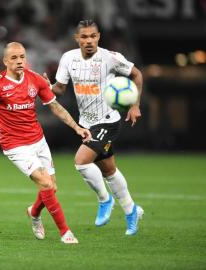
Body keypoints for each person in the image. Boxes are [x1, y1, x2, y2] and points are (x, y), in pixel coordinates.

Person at [0, 42, 92, 244]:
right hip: (15, 145)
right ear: (5, 61)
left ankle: (33, 213)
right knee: (45, 183)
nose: (19, 61)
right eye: (14, 58)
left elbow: (55, 106)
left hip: (38, 140)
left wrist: (77, 128)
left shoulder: (35, 80)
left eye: (22, 57)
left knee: (51, 188)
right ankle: (65, 232)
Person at [44, 20, 144, 236]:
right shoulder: (68, 58)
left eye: (93, 36)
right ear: (77, 39)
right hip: (87, 124)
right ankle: (132, 211)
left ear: (98, 36)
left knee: (81, 162)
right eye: (84, 37)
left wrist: (135, 105)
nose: (89, 40)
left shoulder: (110, 57)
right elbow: (60, 89)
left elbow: (137, 75)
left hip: (108, 120)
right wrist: (47, 87)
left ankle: (105, 200)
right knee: (109, 170)